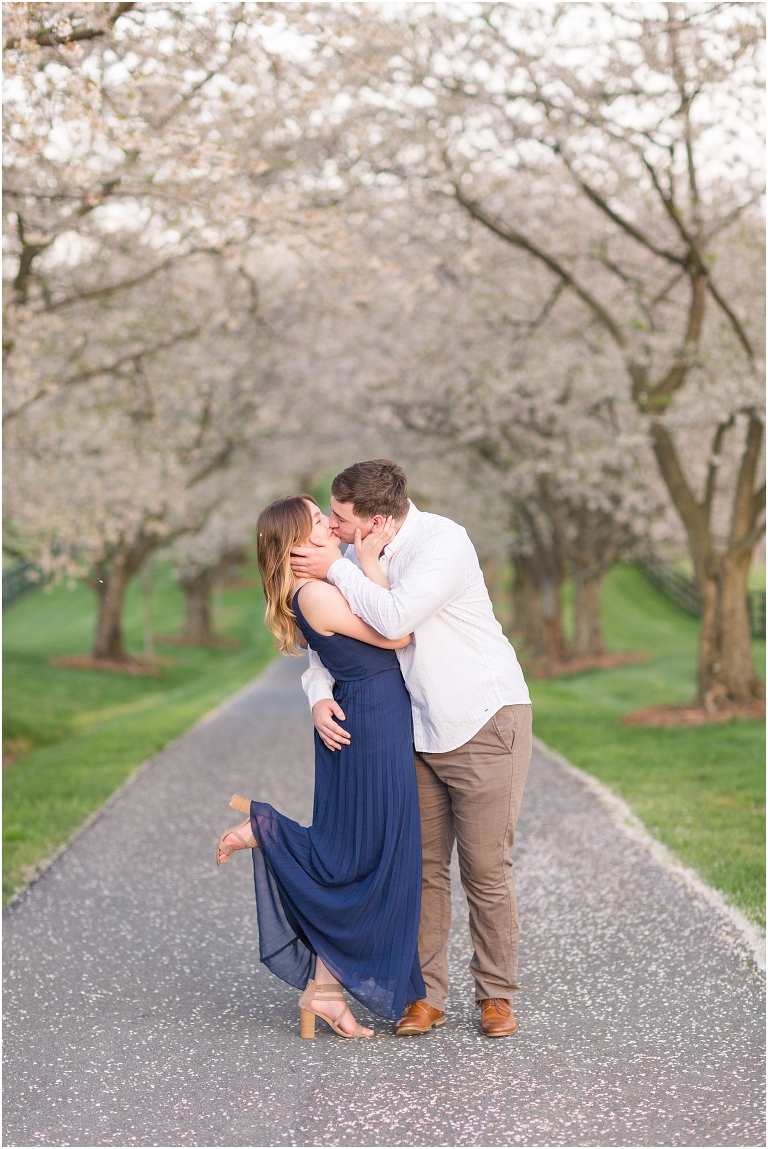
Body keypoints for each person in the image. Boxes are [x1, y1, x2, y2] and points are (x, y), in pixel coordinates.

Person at [291, 460, 532, 1038]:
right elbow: (325, 641)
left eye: (339, 517)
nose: (330, 524)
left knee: (484, 870)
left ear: (376, 520)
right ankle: (426, 996)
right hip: (415, 734)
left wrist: (347, 567)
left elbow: (397, 619)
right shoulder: (350, 558)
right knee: (421, 872)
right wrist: (318, 695)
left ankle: (496, 995)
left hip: (482, 722)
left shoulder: (442, 543)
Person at [216, 494, 425, 1039]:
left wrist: (353, 566)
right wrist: (371, 562)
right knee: (368, 857)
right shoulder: (316, 592)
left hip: (365, 719)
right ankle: (266, 828)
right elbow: (396, 630)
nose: (331, 524)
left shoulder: (321, 586)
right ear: (298, 542)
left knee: (358, 857)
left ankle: (326, 993)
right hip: (370, 727)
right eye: (318, 520)